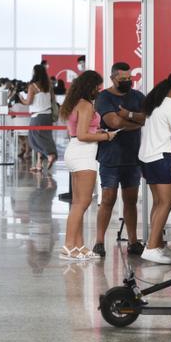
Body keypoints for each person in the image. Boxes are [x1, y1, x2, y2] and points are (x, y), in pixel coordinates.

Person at [57, 70, 117, 261]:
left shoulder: (74, 103)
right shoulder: (85, 105)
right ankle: (68, 246)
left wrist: (95, 131)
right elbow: (83, 135)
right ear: (89, 87)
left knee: (78, 203)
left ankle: (79, 246)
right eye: (97, 87)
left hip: (75, 151)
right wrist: (106, 135)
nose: (99, 90)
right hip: (83, 153)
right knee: (82, 203)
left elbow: (80, 131)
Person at [92, 62, 147, 259]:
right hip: (110, 157)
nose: (127, 82)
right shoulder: (104, 97)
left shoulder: (137, 96)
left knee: (131, 201)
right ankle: (99, 242)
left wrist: (127, 115)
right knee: (107, 199)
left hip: (132, 157)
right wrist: (133, 122)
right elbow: (112, 122)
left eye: (129, 78)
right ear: (113, 78)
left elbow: (145, 117)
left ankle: (133, 242)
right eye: (122, 79)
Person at [137, 70, 171, 264]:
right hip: (161, 158)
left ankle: (156, 243)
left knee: (159, 202)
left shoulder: (155, 104)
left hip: (147, 158)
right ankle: (151, 248)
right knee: (167, 203)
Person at [18, 64, 56, 172]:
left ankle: (49, 155)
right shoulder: (49, 85)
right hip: (48, 115)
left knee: (33, 139)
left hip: (37, 116)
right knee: (44, 138)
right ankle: (39, 164)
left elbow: (28, 102)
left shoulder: (33, 86)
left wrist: (21, 99)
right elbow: (53, 99)